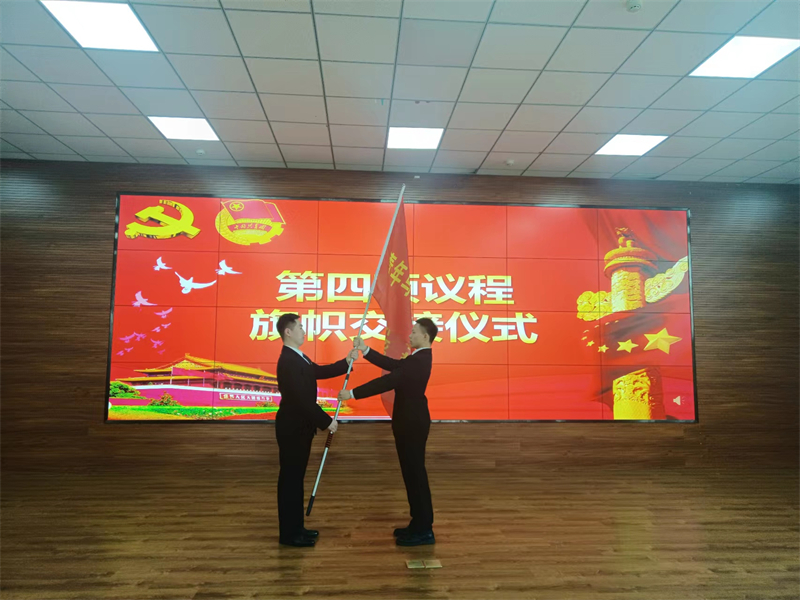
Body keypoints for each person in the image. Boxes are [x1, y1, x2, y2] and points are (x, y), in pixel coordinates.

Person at [339, 318, 437, 546]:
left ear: (425, 336)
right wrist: (365, 350)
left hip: (412, 424)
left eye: (414, 332)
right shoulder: (416, 358)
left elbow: (388, 381)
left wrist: (352, 394)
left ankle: (424, 530)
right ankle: (418, 523)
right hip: (409, 422)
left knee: (415, 475)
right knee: (411, 474)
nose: (410, 335)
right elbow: (392, 365)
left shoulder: (419, 360)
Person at [276, 312, 358, 547]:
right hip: (292, 428)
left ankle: (297, 528)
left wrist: (346, 362)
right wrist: (326, 421)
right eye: (300, 327)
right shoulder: (288, 360)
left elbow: (319, 372)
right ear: (288, 332)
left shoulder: (299, 356)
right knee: (290, 481)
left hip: (301, 427)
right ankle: (289, 535)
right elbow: (300, 400)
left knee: (296, 480)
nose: (304, 331)